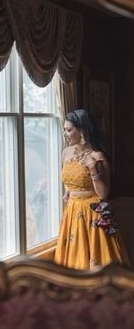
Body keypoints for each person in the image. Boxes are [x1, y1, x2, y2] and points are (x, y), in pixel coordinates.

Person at [54, 109, 129, 270]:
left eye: (69, 130)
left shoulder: (97, 156)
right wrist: (68, 191)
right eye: (64, 129)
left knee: (96, 264)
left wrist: (93, 169)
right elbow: (67, 179)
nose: (65, 134)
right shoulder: (66, 153)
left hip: (92, 213)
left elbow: (103, 193)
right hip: (72, 211)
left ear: (82, 130)